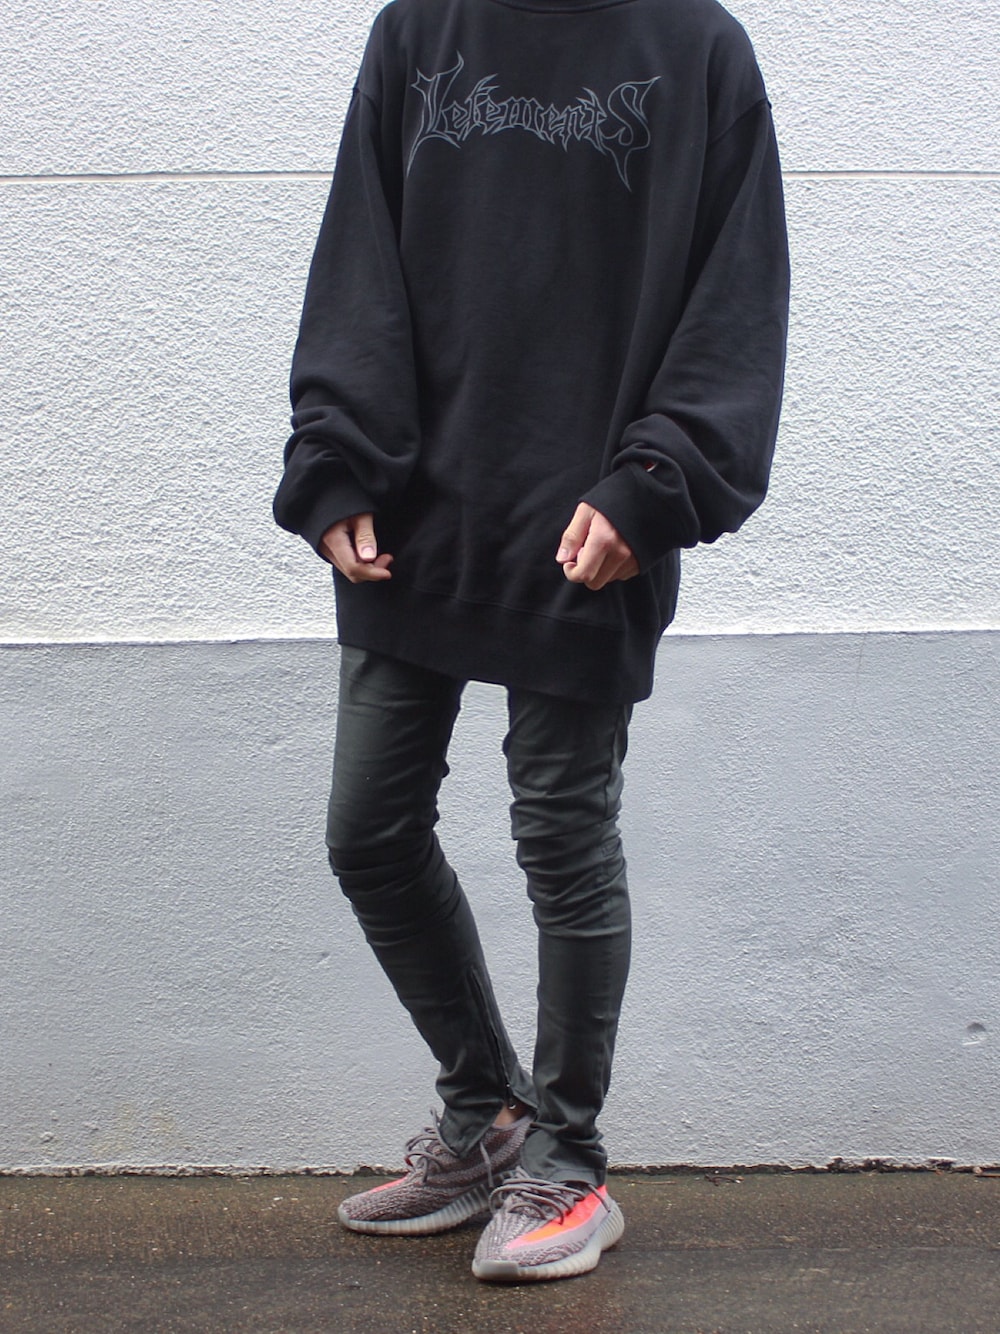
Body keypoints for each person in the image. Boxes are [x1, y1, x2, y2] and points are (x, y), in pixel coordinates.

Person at [273, 0, 789, 1284]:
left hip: (588, 513)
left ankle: (567, 1159)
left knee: (560, 830)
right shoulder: (419, 31)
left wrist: (659, 479)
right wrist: (335, 459)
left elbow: (735, 300)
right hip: (414, 510)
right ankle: (487, 1112)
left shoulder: (696, 48)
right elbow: (358, 257)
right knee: (367, 828)